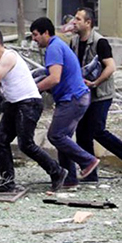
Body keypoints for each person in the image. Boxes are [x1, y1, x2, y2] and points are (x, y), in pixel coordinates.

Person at [0, 27, 68, 192]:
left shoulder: (8, 57)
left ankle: (57, 171)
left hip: (28, 103)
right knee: (1, 141)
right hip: (12, 104)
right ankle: (7, 181)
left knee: (26, 144)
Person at [70, 7, 122, 182]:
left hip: (101, 94)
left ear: (88, 23)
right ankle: (90, 171)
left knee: (96, 129)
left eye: (78, 19)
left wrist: (95, 82)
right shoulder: (74, 42)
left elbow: (111, 66)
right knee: (82, 133)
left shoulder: (100, 42)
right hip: (83, 93)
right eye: (75, 19)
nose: (74, 22)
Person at [30, 17, 99, 188]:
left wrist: (34, 89)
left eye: (36, 35)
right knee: (63, 137)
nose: (34, 39)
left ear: (46, 33)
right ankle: (69, 179)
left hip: (73, 99)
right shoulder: (57, 46)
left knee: (56, 135)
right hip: (76, 97)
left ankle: (87, 161)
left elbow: (54, 78)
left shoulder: (54, 48)